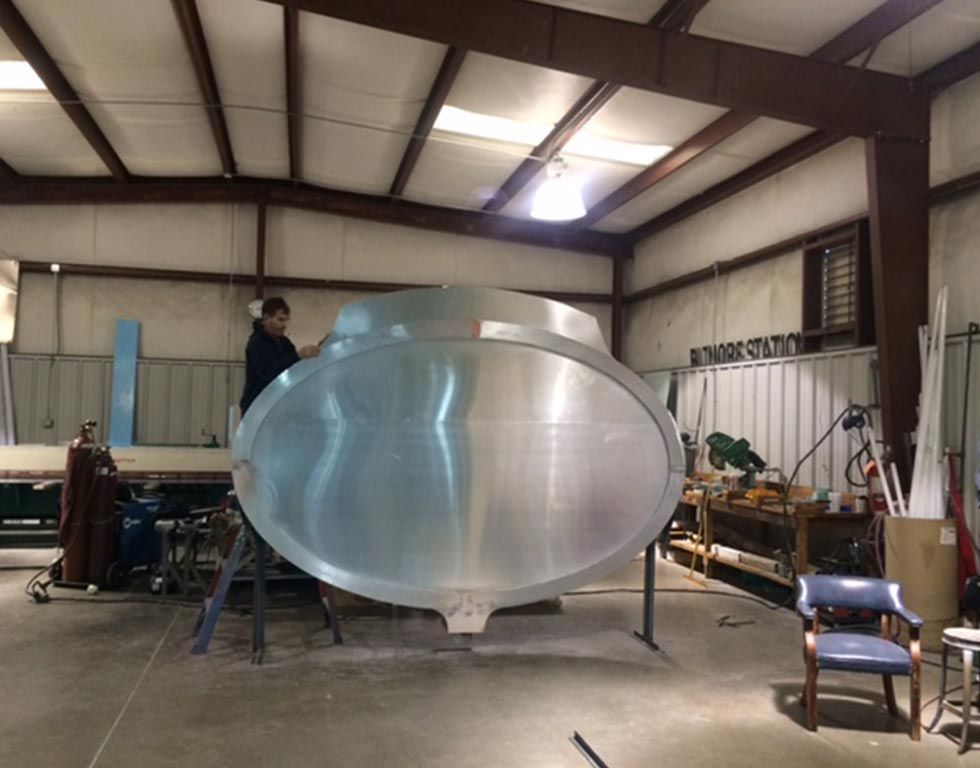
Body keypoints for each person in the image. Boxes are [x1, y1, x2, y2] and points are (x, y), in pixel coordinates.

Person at [240, 297, 320, 414]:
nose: (284, 325)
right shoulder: (257, 343)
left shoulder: (285, 343)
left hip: (278, 407)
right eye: (280, 320)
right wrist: (298, 357)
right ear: (266, 318)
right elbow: (267, 373)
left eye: (286, 320)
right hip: (258, 409)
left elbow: (294, 370)